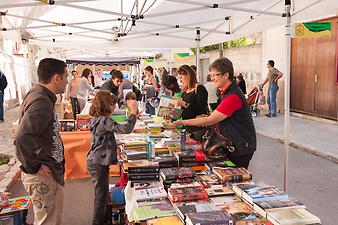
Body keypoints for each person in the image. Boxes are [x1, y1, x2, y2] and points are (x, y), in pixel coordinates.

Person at [171, 58, 256, 168]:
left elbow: (211, 120)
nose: (213, 79)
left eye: (216, 75)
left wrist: (182, 122)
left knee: (234, 176)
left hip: (240, 145)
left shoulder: (233, 96)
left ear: (226, 75)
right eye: (212, 75)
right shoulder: (225, 92)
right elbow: (218, 116)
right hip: (232, 142)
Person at [15, 58, 68, 225]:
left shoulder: (40, 96)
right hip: (43, 175)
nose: (67, 81)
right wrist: (35, 166)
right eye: (65, 76)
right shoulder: (41, 101)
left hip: (46, 172)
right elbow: (22, 137)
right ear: (56, 78)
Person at [87, 90, 137, 225]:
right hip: (98, 163)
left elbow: (102, 138)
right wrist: (133, 113)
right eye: (112, 104)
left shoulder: (99, 119)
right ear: (105, 105)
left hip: (96, 161)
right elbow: (126, 129)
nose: (114, 107)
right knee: (101, 197)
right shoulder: (104, 120)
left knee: (101, 195)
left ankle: (102, 220)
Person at [176, 65, 208, 134]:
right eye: (179, 78)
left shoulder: (199, 88)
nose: (180, 80)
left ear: (188, 75)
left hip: (197, 128)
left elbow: (201, 109)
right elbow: (182, 112)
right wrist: (171, 114)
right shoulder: (185, 90)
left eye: (181, 77)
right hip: (186, 126)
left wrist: (184, 104)